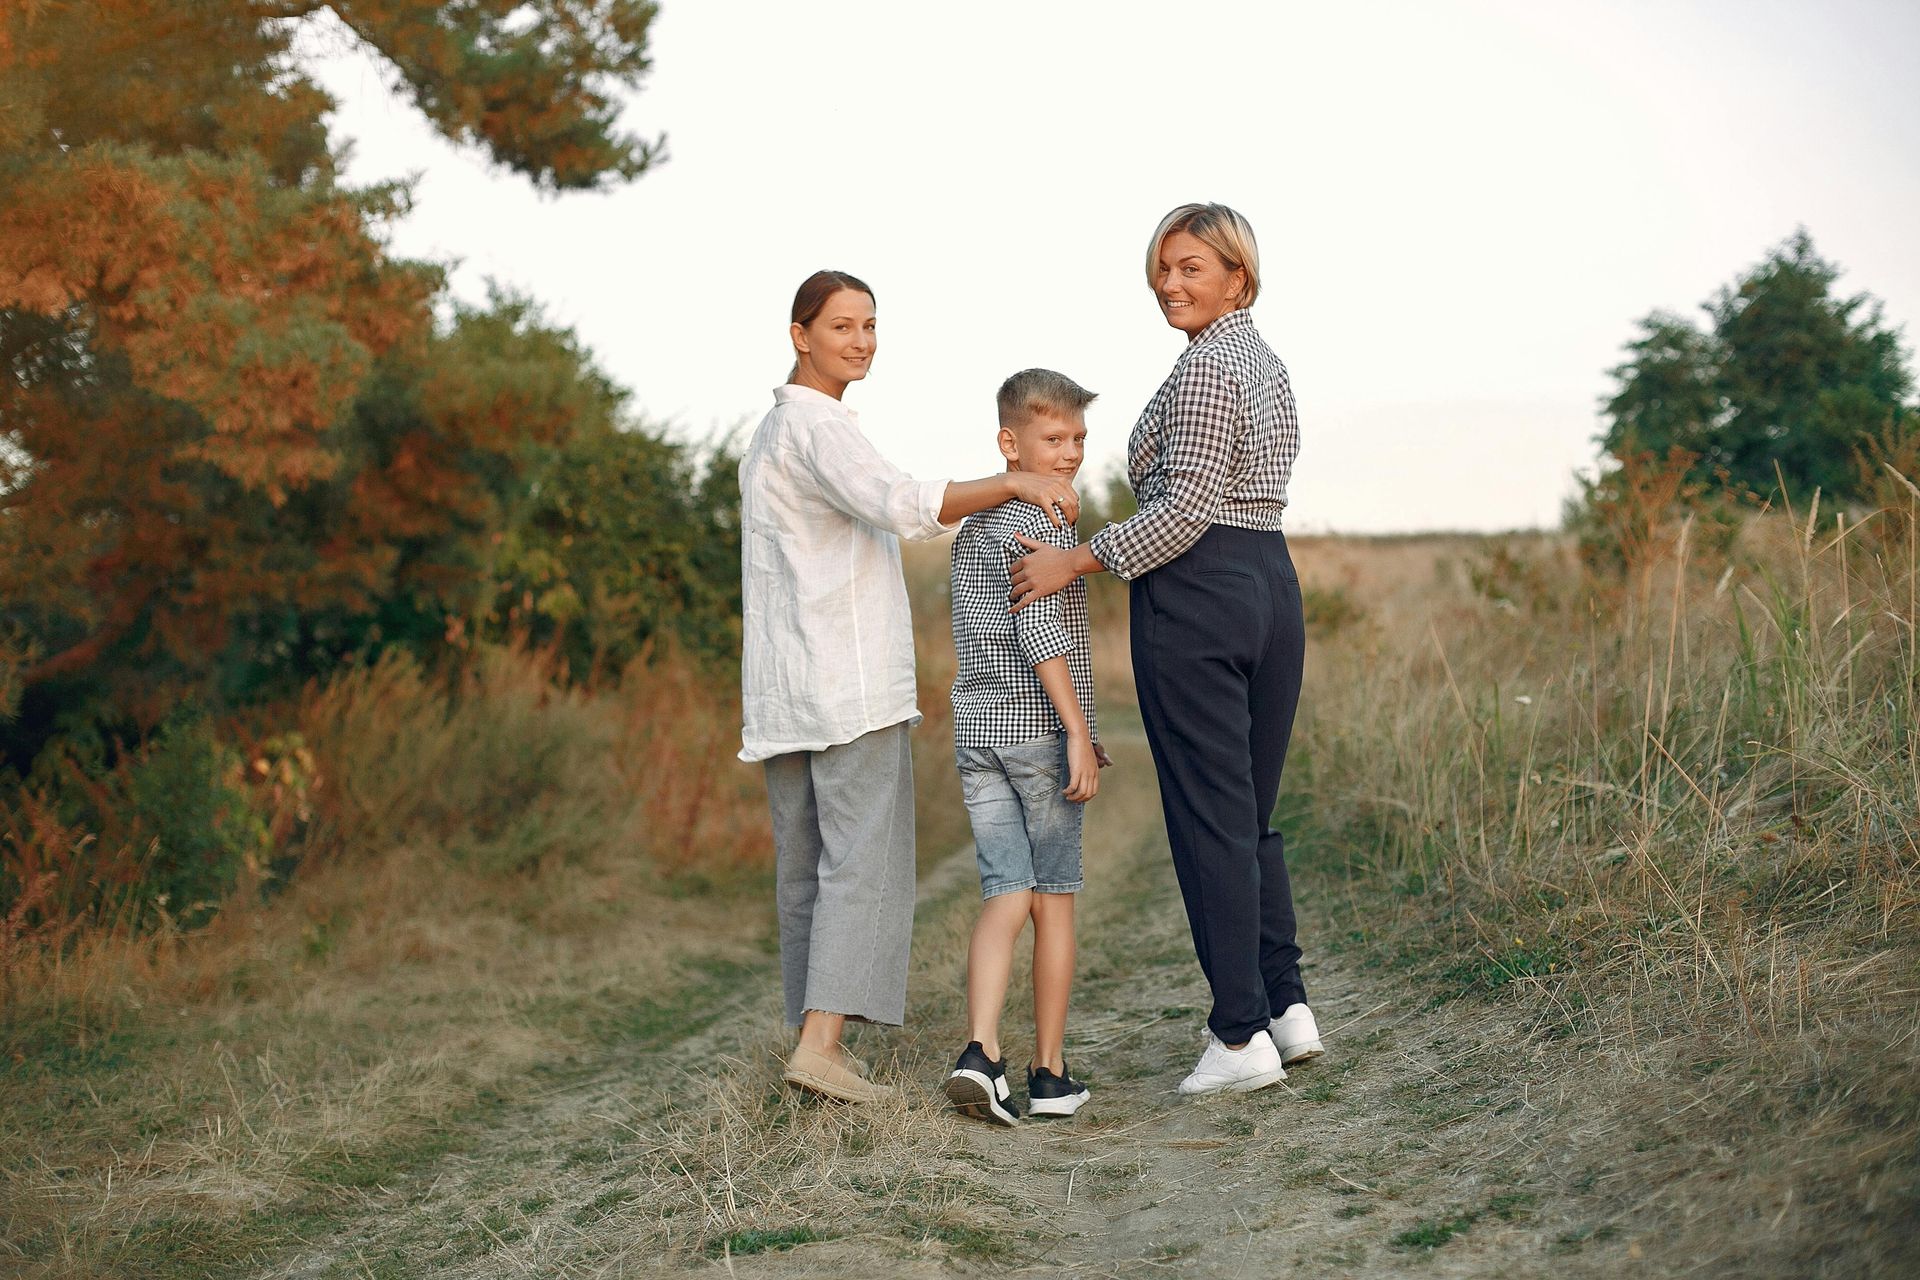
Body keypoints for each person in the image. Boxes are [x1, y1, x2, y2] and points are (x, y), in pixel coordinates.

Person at [738, 270, 1080, 1105]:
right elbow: (901, 504)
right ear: (799, 335)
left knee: (810, 867)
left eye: (870, 325)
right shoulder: (818, 430)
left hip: (785, 689)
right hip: (843, 685)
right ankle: (822, 1045)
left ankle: (816, 1042)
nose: (859, 341)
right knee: (862, 862)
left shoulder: (772, 434)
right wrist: (1013, 482)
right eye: (841, 326)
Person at [1009, 204, 1323, 1096]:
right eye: (1161, 269)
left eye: (1190, 267)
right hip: (1272, 583)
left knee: (1208, 820)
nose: (1169, 284)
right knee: (1249, 813)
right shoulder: (1268, 364)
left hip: (1201, 593)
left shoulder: (1210, 368)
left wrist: (1079, 555)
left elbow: (1182, 510)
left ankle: (1237, 1037)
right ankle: (1284, 1008)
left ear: (1237, 275)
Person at [943, 369, 1110, 1126]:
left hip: (978, 735)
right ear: (1010, 443)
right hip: (1037, 734)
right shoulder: (1042, 520)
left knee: (1003, 895)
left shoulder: (974, 526)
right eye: (1053, 439)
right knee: (1055, 902)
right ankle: (1048, 1072)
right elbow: (1039, 631)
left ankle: (980, 1052)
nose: (1069, 452)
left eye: (1077, 438)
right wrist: (1079, 731)